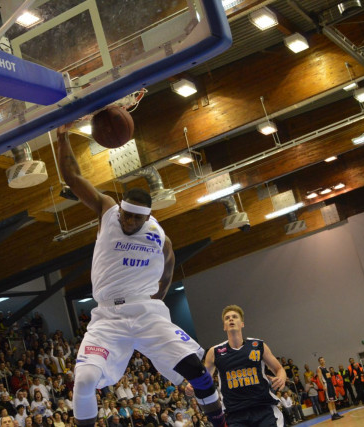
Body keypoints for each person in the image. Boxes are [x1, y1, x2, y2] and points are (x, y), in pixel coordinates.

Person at [56, 124, 225, 426]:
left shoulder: (160, 237)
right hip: (108, 317)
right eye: (127, 215)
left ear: (147, 217)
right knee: (84, 380)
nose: (129, 222)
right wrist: (62, 136)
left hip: (146, 312)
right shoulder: (107, 211)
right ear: (120, 209)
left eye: (137, 218)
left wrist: (157, 298)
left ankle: (220, 422)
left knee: (196, 370)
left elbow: (169, 267)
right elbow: (72, 177)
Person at [199, 304, 286, 426]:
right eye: (227, 318)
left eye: (235, 317)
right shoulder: (214, 352)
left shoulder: (258, 345)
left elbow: (279, 368)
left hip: (263, 409)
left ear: (242, 324)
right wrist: (192, 385)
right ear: (224, 326)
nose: (231, 319)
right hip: (235, 414)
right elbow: (203, 379)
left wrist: (281, 378)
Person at [316, 357, 343, 421]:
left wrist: (333, 385)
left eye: (323, 360)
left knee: (333, 400)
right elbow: (320, 378)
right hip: (326, 385)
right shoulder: (319, 369)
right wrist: (323, 386)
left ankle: (335, 413)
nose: (322, 361)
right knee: (329, 401)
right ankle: (332, 415)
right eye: (321, 360)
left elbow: (329, 377)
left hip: (330, 384)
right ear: (319, 362)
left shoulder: (326, 368)